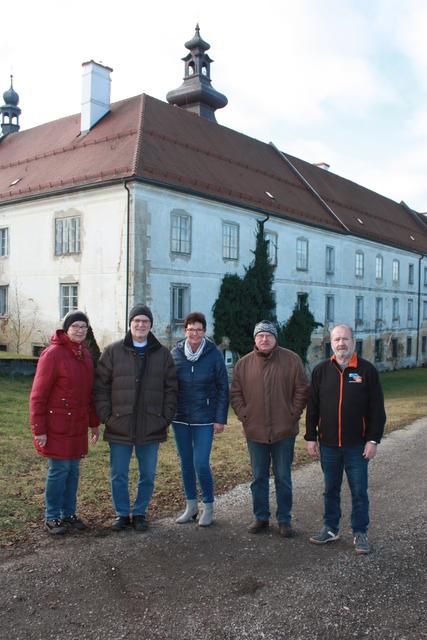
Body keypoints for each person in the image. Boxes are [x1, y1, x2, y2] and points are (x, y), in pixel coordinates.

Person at [94, 304, 177, 532]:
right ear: (129, 324)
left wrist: (164, 417)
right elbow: (100, 387)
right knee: (118, 473)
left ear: (151, 325)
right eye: (136, 321)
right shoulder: (112, 351)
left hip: (151, 425)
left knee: (147, 474)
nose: (140, 325)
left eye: (145, 322)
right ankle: (122, 513)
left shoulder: (162, 354)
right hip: (120, 423)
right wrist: (107, 416)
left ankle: (140, 512)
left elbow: (172, 388)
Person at [305, 323, 386, 555]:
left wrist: (373, 440)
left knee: (359, 491)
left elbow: (377, 410)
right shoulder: (321, 371)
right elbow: (313, 408)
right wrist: (311, 437)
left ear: (353, 341)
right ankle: (331, 529)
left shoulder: (366, 371)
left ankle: (360, 533)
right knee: (330, 489)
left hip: (357, 446)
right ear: (331, 343)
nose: (341, 343)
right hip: (329, 445)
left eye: (345, 339)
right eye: (337, 339)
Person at [230, 320, 308, 537]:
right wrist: (244, 415)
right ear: (255, 339)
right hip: (255, 431)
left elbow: (302, 389)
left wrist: (293, 414)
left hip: (284, 430)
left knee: (283, 476)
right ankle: (261, 517)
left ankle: (284, 519)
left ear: (275, 338)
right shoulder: (243, 364)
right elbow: (235, 393)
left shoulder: (292, 360)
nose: (264, 339)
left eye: (268, 335)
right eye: (260, 335)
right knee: (258, 477)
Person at [29, 311, 100, 535]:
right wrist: (39, 429)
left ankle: (69, 514)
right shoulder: (53, 354)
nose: (79, 330)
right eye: (75, 326)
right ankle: (52, 517)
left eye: (83, 327)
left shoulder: (85, 355)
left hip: (77, 426)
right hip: (56, 425)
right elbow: (38, 395)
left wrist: (94, 424)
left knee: (73, 471)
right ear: (66, 328)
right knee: (59, 470)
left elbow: (90, 395)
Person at [171, 312, 229, 527]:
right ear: (184, 330)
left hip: (205, 418)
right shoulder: (175, 353)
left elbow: (223, 387)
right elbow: (168, 385)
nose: (194, 333)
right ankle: (191, 506)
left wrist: (220, 418)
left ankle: (208, 505)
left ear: (204, 331)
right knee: (186, 463)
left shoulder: (214, 354)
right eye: (190, 329)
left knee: (200, 463)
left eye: (198, 329)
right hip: (180, 418)